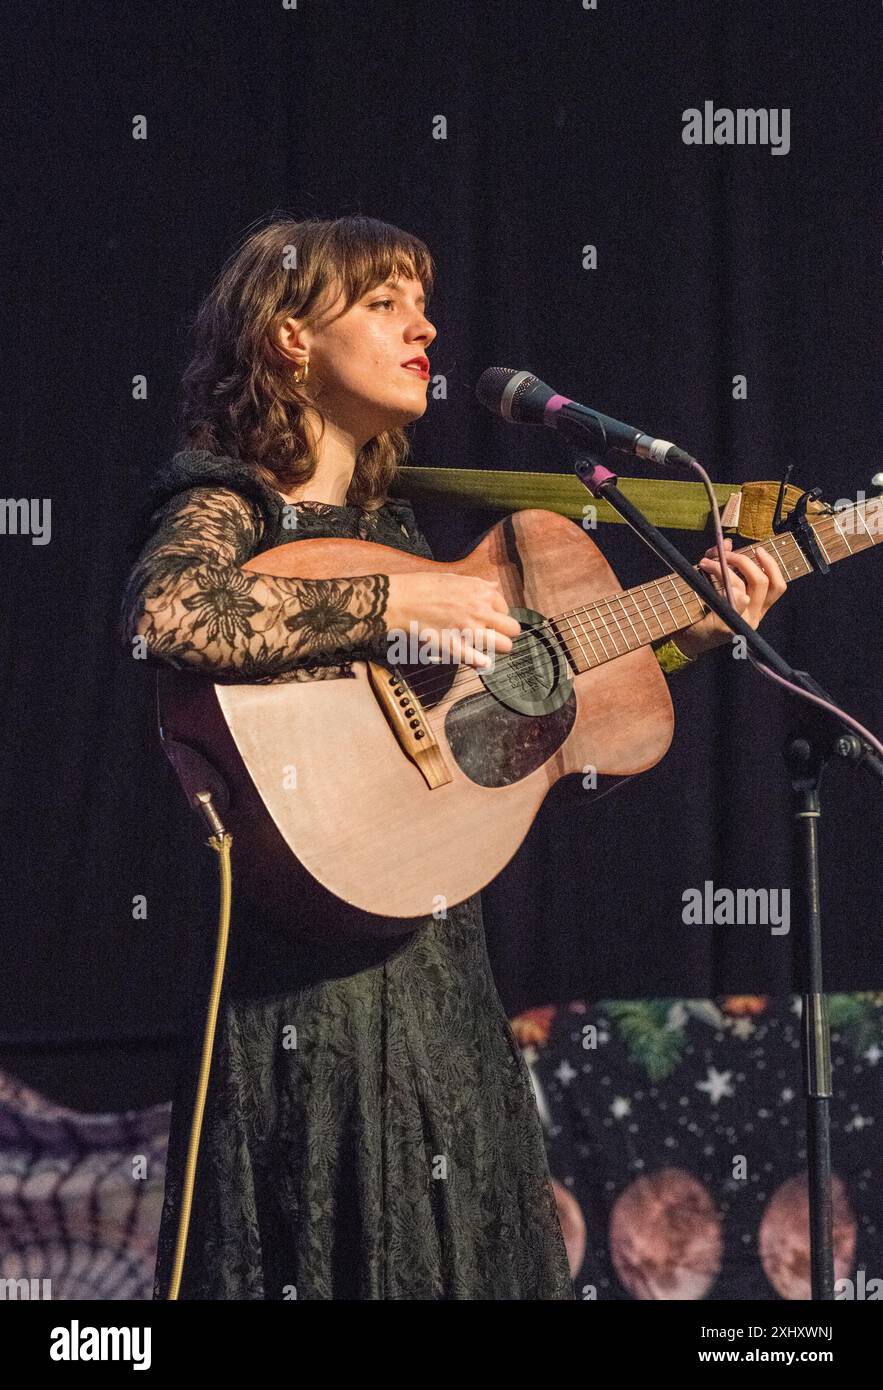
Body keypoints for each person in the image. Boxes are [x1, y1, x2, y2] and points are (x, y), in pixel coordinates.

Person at [121, 214, 785, 1300]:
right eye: (384, 303)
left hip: (438, 975)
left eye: (421, 303)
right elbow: (172, 611)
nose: (423, 325)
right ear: (290, 336)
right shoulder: (226, 499)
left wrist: (683, 638)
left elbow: (489, 740)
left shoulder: (401, 523)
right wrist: (398, 594)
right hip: (308, 996)